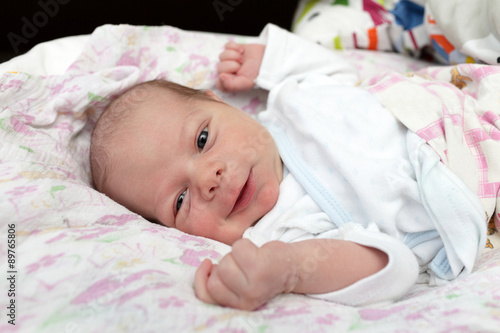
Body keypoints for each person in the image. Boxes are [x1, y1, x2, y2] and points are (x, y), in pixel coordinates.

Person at [90, 24, 486, 311]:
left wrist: (271, 60)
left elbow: (341, 76)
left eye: (202, 140)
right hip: (469, 174)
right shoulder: (278, 237)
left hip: (459, 97)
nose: (206, 179)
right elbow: (392, 265)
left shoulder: (289, 103)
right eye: (179, 200)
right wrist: (292, 269)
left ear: (220, 103)